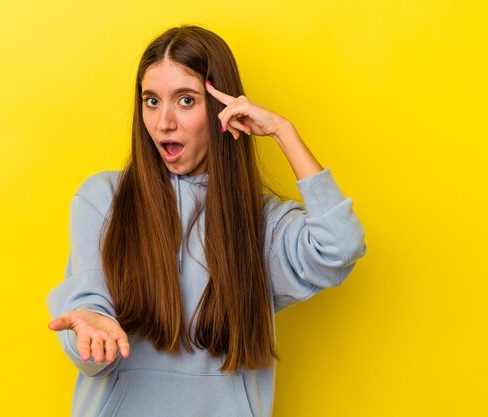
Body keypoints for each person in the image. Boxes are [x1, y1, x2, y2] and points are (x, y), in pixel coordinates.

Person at [46, 25, 366, 417]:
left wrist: (283, 132)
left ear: (221, 109)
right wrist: (91, 332)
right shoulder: (102, 200)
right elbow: (90, 325)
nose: (164, 122)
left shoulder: (258, 221)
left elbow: (342, 246)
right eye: (150, 101)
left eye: (185, 100)